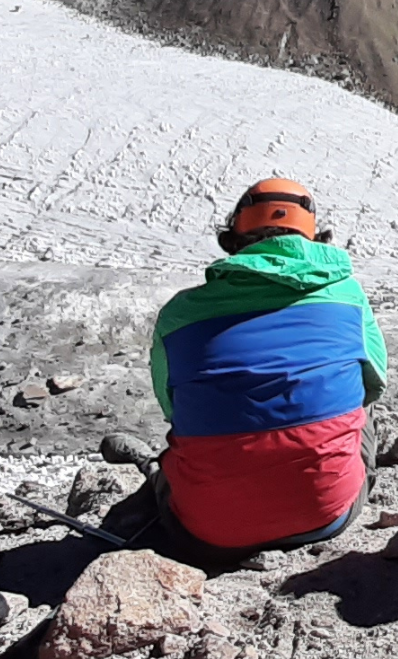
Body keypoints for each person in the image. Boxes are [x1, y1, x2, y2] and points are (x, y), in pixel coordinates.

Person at [102, 179, 387, 565]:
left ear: (233, 239)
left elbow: (173, 407)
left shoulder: (178, 314)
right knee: (362, 405)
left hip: (207, 533)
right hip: (326, 516)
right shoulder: (348, 297)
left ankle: (156, 475)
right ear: (316, 238)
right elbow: (374, 385)